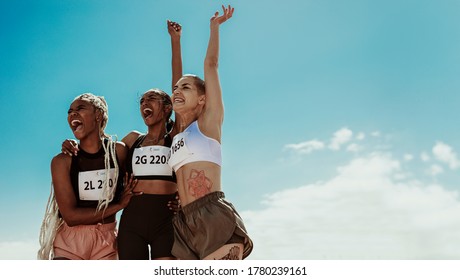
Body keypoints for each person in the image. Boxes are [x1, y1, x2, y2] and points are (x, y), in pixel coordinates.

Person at [59, 21, 183, 260]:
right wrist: (72, 141)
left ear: (168, 108)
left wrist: (175, 41)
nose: (145, 103)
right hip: (132, 220)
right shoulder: (133, 139)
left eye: (152, 99)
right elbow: (98, 144)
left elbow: (178, 91)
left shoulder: (175, 135)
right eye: (142, 101)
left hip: (165, 219)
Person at [168, 5, 253, 260]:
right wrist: (175, 42)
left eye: (186, 88)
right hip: (183, 222)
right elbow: (175, 79)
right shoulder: (179, 131)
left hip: (212, 215)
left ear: (203, 99)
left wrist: (214, 28)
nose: (177, 91)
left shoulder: (209, 124)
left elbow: (211, 65)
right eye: (175, 89)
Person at [38, 93, 137, 260]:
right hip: (70, 243)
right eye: (70, 111)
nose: (72, 114)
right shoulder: (62, 161)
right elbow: (71, 216)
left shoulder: (118, 152)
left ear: (98, 115)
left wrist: (179, 199)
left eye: (80, 108)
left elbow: (147, 148)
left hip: (107, 241)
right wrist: (119, 205)